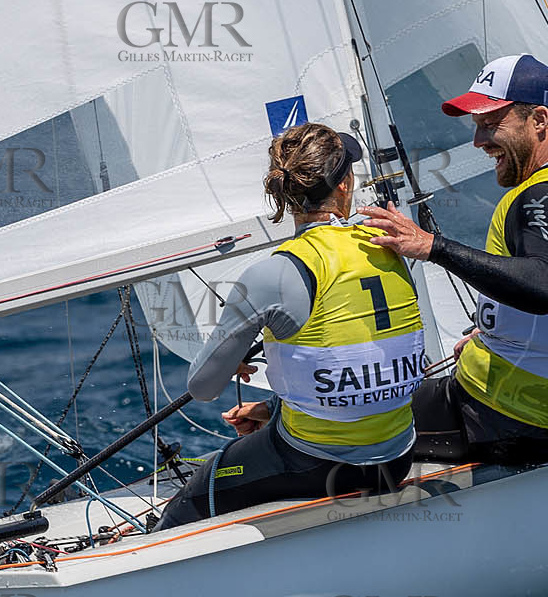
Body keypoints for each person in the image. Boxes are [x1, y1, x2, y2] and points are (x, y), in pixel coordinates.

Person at [361, 54, 548, 466]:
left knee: (320, 425)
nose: (479, 141)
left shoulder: (542, 196)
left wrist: (432, 246)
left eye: (491, 124)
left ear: (539, 121)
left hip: (492, 418)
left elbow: (539, 286)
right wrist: (494, 335)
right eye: (477, 127)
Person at [156, 123, 426, 530]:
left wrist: (227, 362)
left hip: (318, 464)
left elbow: (202, 388)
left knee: (203, 487)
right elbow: (361, 361)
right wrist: (272, 409)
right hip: (397, 457)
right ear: (346, 185)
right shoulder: (390, 248)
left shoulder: (275, 274)